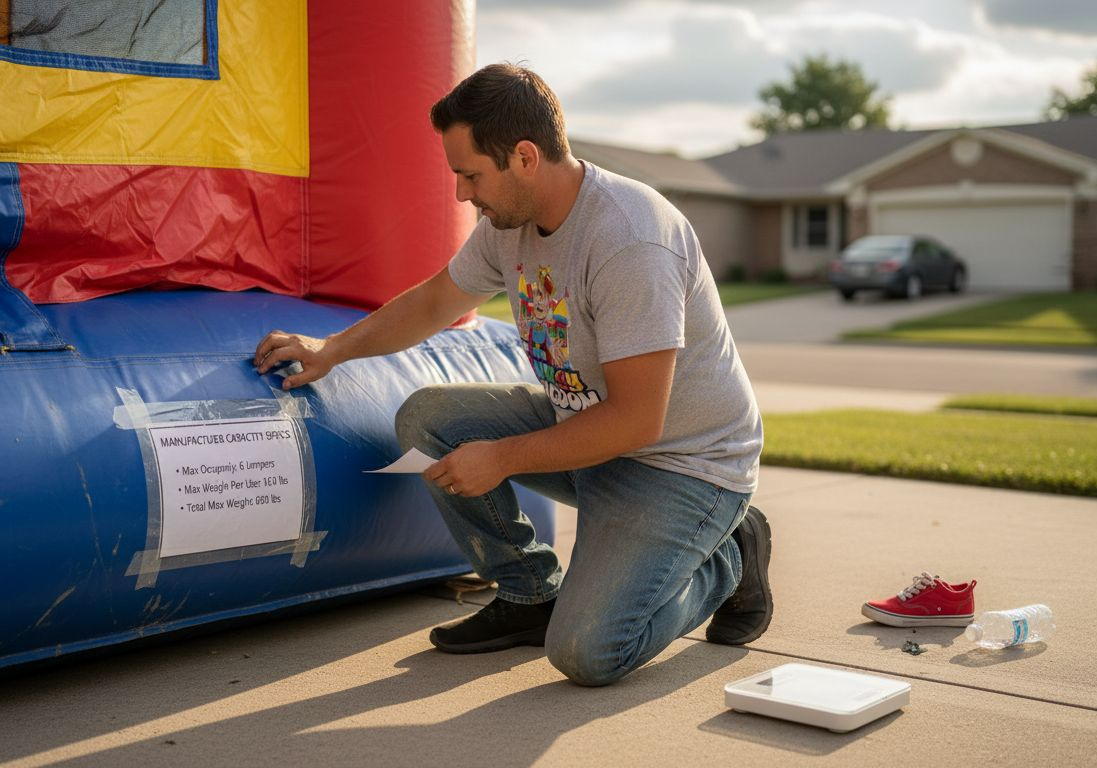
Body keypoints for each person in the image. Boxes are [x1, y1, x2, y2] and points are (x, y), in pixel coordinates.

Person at [255, 63, 769, 686]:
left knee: (589, 652)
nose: (461, 195)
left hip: (683, 467)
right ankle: (529, 594)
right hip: (589, 432)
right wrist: (332, 348)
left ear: (524, 157)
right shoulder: (510, 224)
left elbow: (638, 419)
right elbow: (434, 302)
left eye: (470, 175)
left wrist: (500, 457)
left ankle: (728, 557)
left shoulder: (630, 239)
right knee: (428, 418)